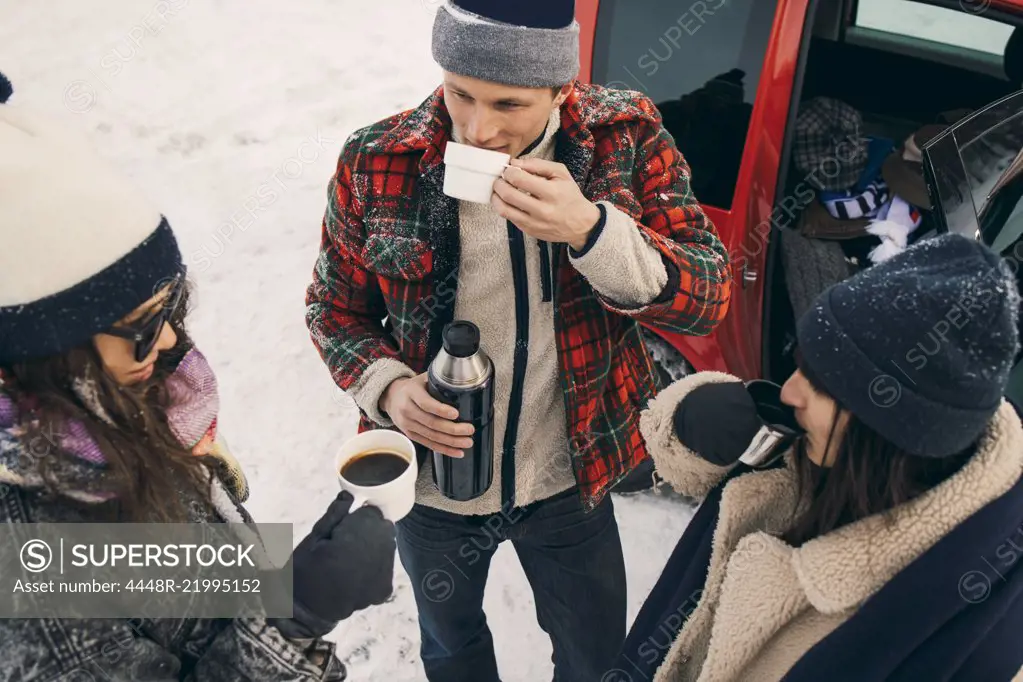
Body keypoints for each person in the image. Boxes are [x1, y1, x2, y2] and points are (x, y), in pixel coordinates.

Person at [303, 0, 732, 678]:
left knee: (594, 658)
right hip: (434, 494)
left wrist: (591, 230)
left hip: (567, 479)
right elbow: (333, 311)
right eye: (460, 93)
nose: (477, 128)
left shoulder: (624, 135)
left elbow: (706, 297)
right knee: (452, 649)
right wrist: (387, 387)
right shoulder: (376, 158)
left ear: (561, 89)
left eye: (508, 104)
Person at [0, 79, 396, 680]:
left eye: (170, 309)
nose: (165, 344)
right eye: (139, 325)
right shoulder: (29, 552)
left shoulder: (109, 411)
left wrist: (278, 587)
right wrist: (295, 616)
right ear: (42, 352)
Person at [612, 233, 1023, 682]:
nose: (789, 392)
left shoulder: (963, 631)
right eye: (803, 363)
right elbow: (701, 465)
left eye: (825, 385)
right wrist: (695, 421)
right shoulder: (821, 454)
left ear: (891, 432)